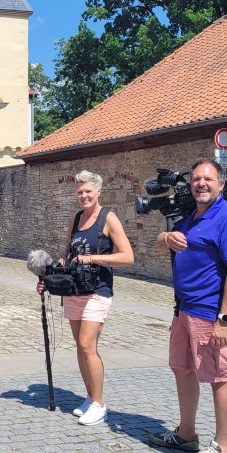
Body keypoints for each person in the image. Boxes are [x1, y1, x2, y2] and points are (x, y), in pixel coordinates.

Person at [148, 158, 227, 453]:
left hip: (209, 313)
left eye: (208, 179)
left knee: (218, 377)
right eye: (197, 179)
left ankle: (223, 447)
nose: (201, 183)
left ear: (220, 185)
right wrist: (168, 237)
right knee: (182, 368)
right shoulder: (191, 217)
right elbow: (160, 244)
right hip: (184, 310)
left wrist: (224, 320)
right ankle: (187, 435)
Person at [37, 170, 134, 425]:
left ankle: (100, 404)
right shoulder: (76, 220)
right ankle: (90, 397)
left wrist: (93, 258)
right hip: (74, 291)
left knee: (87, 345)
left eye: (88, 191)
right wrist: (50, 277)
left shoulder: (108, 218)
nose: (84, 195)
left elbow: (127, 256)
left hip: (98, 291)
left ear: (98, 191)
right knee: (81, 347)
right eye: (80, 191)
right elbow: (66, 256)